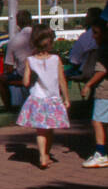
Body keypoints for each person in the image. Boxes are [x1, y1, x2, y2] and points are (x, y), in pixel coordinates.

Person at [17, 25, 71, 169]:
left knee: (40, 130)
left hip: (37, 98)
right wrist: (66, 98)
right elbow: (62, 80)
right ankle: (46, 154)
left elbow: (26, 82)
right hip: (53, 98)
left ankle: (42, 156)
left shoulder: (30, 60)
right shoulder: (56, 59)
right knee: (50, 128)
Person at [77, 18, 107, 168]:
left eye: (96, 33)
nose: (93, 36)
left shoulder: (104, 49)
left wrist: (88, 84)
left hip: (104, 92)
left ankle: (101, 153)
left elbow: (102, 70)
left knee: (97, 121)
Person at [1, 10, 34, 111]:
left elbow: (9, 67)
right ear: (31, 20)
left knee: (1, 79)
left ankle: (8, 107)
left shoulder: (14, 41)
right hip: (42, 71)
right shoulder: (38, 35)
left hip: (23, 74)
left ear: (17, 23)